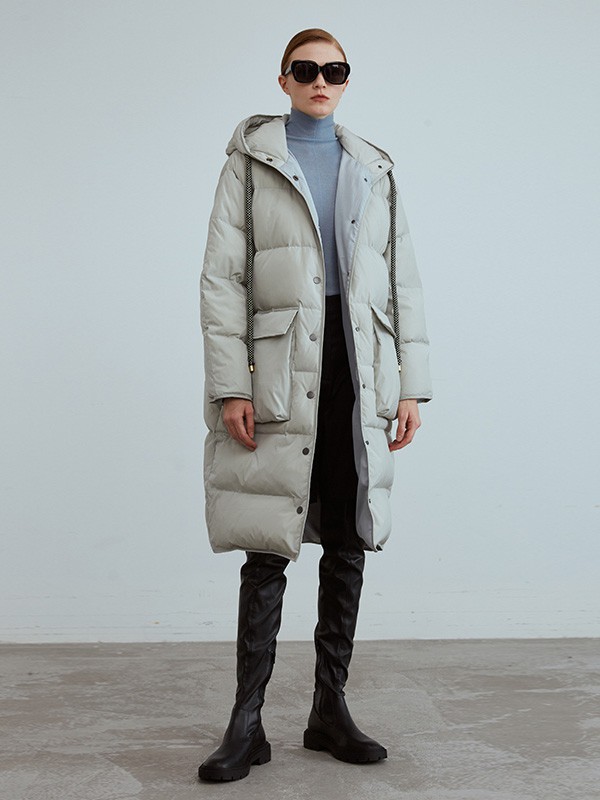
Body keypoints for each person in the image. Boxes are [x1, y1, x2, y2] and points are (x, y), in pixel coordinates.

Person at [197, 28, 432, 782]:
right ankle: (246, 726)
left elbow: (402, 279)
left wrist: (410, 384)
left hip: (357, 368)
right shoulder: (250, 162)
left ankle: (330, 710)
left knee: (347, 537)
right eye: (306, 69)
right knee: (267, 540)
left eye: (334, 69)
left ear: (346, 79)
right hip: (278, 367)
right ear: (284, 80)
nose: (320, 80)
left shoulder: (374, 166)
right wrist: (231, 384)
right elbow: (222, 279)